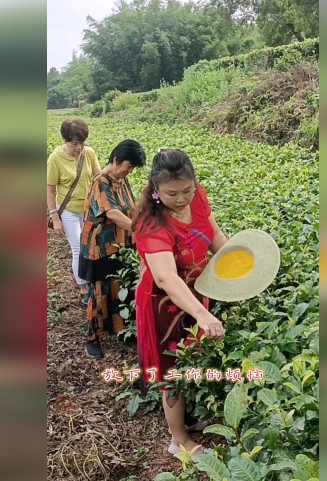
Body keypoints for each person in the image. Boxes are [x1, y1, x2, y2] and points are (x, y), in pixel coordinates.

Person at [132, 148, 230, 457]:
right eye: (172, 193)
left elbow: (214, 235)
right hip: (165, 306)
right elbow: (166, 279)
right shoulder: (151, 222)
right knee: (171, 369)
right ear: (156, 189)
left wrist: (239, 267)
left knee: (192, 359)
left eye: (187, 189)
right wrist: (202, 314)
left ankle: (186, 417)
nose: (182, 198)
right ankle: (179, 440)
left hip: (197, 293)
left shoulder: (196, 197)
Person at [79, 139, 147, 359]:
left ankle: (121, 331)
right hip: (98, 248)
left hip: (121, 245)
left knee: (120, 289)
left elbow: (131, 208)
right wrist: (141, 230)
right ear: (116, 160)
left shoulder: (121, 180)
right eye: (128, 166)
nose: (129, 171)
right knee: (98, 293)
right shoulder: (101, 182)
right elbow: (113, 213)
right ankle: (92, 339)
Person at [47, 119, 101, 305]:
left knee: (91, 246)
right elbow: (50, 190)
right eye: (74, 144)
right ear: (64, 139)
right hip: (68, 210)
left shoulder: (89, 153)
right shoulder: (55, 159)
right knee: (78, 248)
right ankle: (83, 286)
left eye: (82, 143)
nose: (79, 148)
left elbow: (97, 177)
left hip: (88, 208)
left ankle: (91, 280)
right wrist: (55, 217)